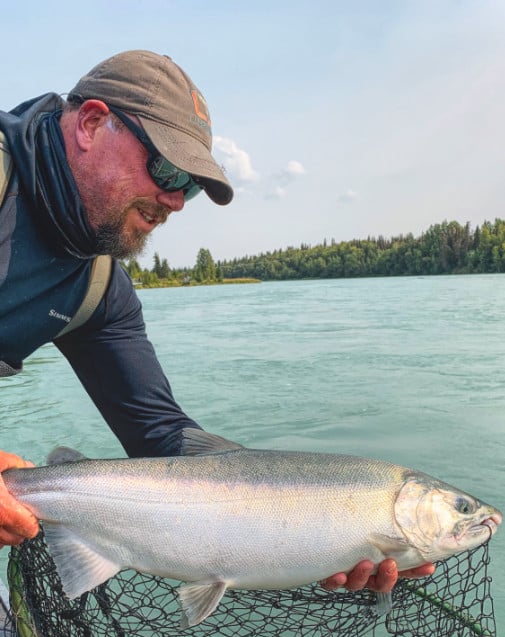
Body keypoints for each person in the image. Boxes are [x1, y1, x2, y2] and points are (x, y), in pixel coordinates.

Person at [0, 50, 434, 593]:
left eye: (192, 185)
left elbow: (161, 436)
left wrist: (307, 530)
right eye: (166, 168)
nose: (176, 201)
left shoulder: (99, 291)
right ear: (90, 123)